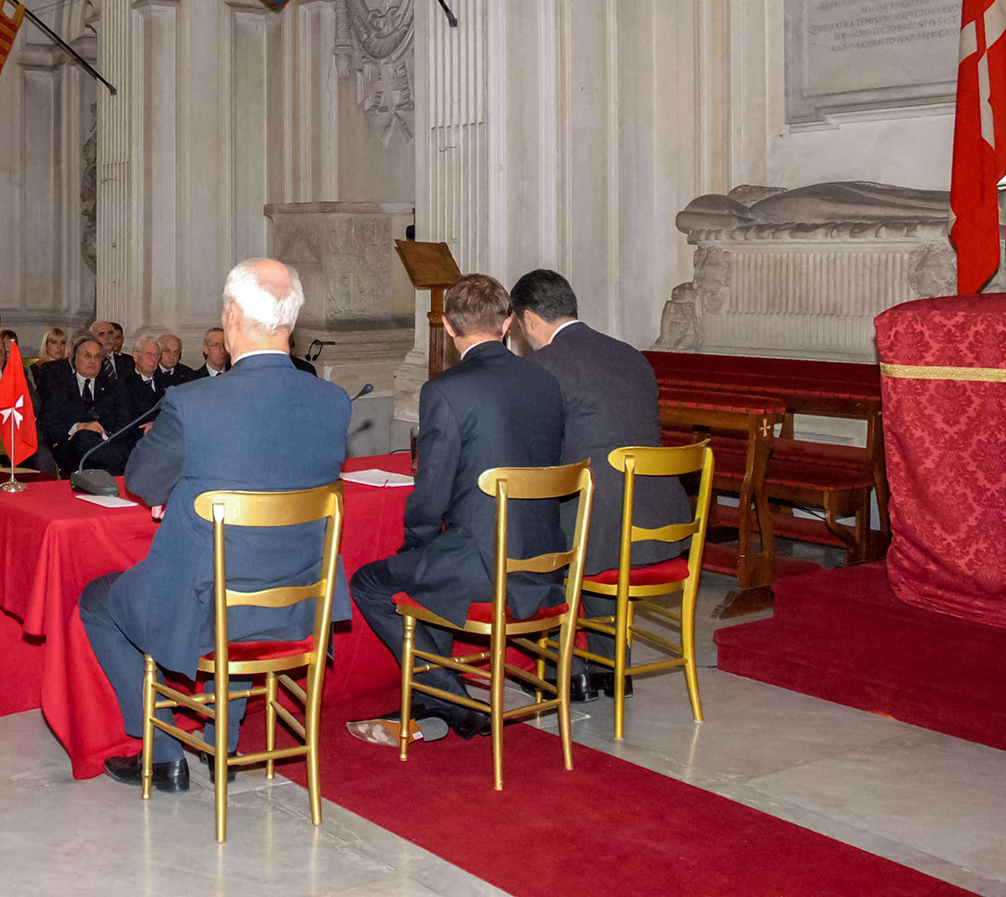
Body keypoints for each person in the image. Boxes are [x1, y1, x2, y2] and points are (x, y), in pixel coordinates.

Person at [81, 258, 352, 792]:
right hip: (297, 603)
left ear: (230, 316)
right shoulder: (332, 401)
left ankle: (163, 754)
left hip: (203, 604)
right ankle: (222, 744)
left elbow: (142, 479)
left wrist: (181, 491)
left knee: (98, 599)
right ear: (291, 321)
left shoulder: (194, 401)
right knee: (242, 581)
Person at [345, 274, 567, 747]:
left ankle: (451, 699)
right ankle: (440, 697)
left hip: (481, 567)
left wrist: (416, 542)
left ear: (447, 326)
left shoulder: (446, 389)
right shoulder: (546, 381)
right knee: (429, 567)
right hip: (544, 563)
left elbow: (431, 494)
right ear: (507, 323)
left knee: (369, 582)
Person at [510, 268, 687, 700]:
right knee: (591, 515)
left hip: (598, 523)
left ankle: (561, 669)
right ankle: (611, 670)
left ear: (529, 319)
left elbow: (534, 454)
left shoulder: (543, 366)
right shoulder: (630, 354)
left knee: (522, 526)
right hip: (658, 515)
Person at [38, 336, 136, 476]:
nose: (92, 361)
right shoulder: (58, 387)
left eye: (97, 357)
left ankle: (105, 472)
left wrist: (105, 436)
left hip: (107, 443)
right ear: (74, 358)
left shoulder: (114, 387)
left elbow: (125, 422)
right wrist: (78, 427)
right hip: (72, 450)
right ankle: (114, 471)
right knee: (83, 437)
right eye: (87, 355)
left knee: (129, 444)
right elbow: (49, 428)